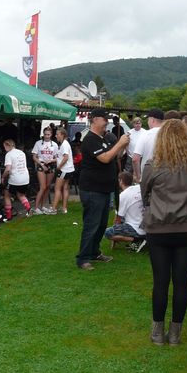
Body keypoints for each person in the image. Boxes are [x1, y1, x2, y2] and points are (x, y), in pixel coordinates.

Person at [141, 120, 187, 345]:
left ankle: (158, 331)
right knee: (181, 282)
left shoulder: (153, 165)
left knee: (160, 281)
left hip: (159, 228)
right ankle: (175, 332)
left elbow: (144, 194)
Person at [76, 108, 129, 270]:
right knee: (92, 224)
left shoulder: (103, 138)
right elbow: (105, 158)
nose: (107, 121)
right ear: (94, 120)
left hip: (104, 189)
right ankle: (83, 258)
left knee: (101, 224)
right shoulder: (90, 139)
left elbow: (115, 156)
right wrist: (119, 143)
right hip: (92, 189)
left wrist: (122, 147)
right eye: (104, 118)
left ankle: (94, 252)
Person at [105, 171, 146, 251]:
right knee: (124, 215)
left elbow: (118, 219)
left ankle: (137, 240)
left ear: (121, 181)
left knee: (107, 232)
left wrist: (115, 231)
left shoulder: (122, 196)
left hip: (135, 228)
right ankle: (142, 238)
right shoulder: (139, 188)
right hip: (146, 225)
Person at [1, 139, 32, 220]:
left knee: (7, 195)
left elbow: (8, 169)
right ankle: (29, 209)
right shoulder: (21, 153)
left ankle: (8, 215)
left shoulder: (9, 154)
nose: (4, 149)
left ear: (8, 145)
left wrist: (3, 177)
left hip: (15, 179)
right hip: (25, 178)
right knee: (21, 195)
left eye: (5, 147)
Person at [132, 108, 164, 183]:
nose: (148, 122)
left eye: (148, 119)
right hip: (166, 176)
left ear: (152, 120)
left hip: (148, 176)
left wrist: (139, 177)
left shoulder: (145, 134)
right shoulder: (170, 134)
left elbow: (135, 159)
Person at [32, 127, 59, 214]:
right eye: (45, 134)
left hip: (51, 165)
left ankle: (43, 206)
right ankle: (36, 207)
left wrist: (51, 160)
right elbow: (34, 157)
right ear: (43, 134)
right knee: (42, 187)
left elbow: (57, 158)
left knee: (47, 187)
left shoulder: (54, 144)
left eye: (48, 134)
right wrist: (41, 164)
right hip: (41, 164)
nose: (47, 136)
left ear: (51, 135)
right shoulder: (38, 143)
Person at [51, 127, 75, 214]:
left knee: (57, 188)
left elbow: (65, 157)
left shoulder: (64, 144)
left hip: (64, 170)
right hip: (69, 169)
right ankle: (64, 209)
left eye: (57, 134)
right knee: (65, 188)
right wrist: (52, 160)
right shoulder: (65, 144)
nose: (56, 136)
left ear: (62, 135)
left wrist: (59, 167)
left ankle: (53, 209)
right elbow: (61, 157)